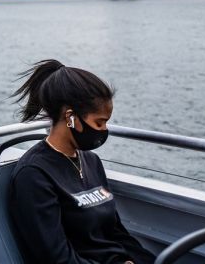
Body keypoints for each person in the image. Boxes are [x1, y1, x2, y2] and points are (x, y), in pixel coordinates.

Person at [9, 59, 155, 264]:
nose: (104, 131)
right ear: (71, 117)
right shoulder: (34, 174)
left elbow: (116, 232)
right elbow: (55, 257)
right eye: (99, 122)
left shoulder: (91, 162)